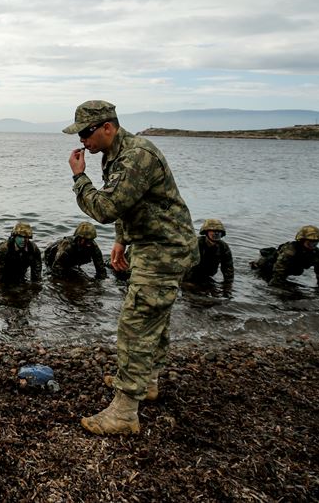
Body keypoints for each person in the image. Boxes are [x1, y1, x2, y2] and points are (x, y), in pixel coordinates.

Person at [66, 100, 198, 436]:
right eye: (80, 134)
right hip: (154, 244)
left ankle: (124, 413)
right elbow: (130, 204)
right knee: (153, 319)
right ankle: (147, 381)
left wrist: (79, 178)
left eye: (87, 132)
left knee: (135, 326)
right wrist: (122, 241)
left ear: (107, 127)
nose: (83, 140)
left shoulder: (136, 156)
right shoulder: (115, 154)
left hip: (163, 249)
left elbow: (106, 207)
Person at [251, 225, 319, 287]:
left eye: (316, 243)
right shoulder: (290, 250)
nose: (313, 246)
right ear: (302, 240)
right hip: (266, 266)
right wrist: (275, 287)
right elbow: (279, 270)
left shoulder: (317, 253)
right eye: (310, 243)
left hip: (287, 269)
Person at [183, 219, 234, 285]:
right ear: (206, 232)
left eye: (219, 231)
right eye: (213, 231)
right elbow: (183, 264)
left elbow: (228, 268)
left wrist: (228, 286)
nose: (216, 233)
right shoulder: (195, 244)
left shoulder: (223, 247)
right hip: (189, 277)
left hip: (207, 277)